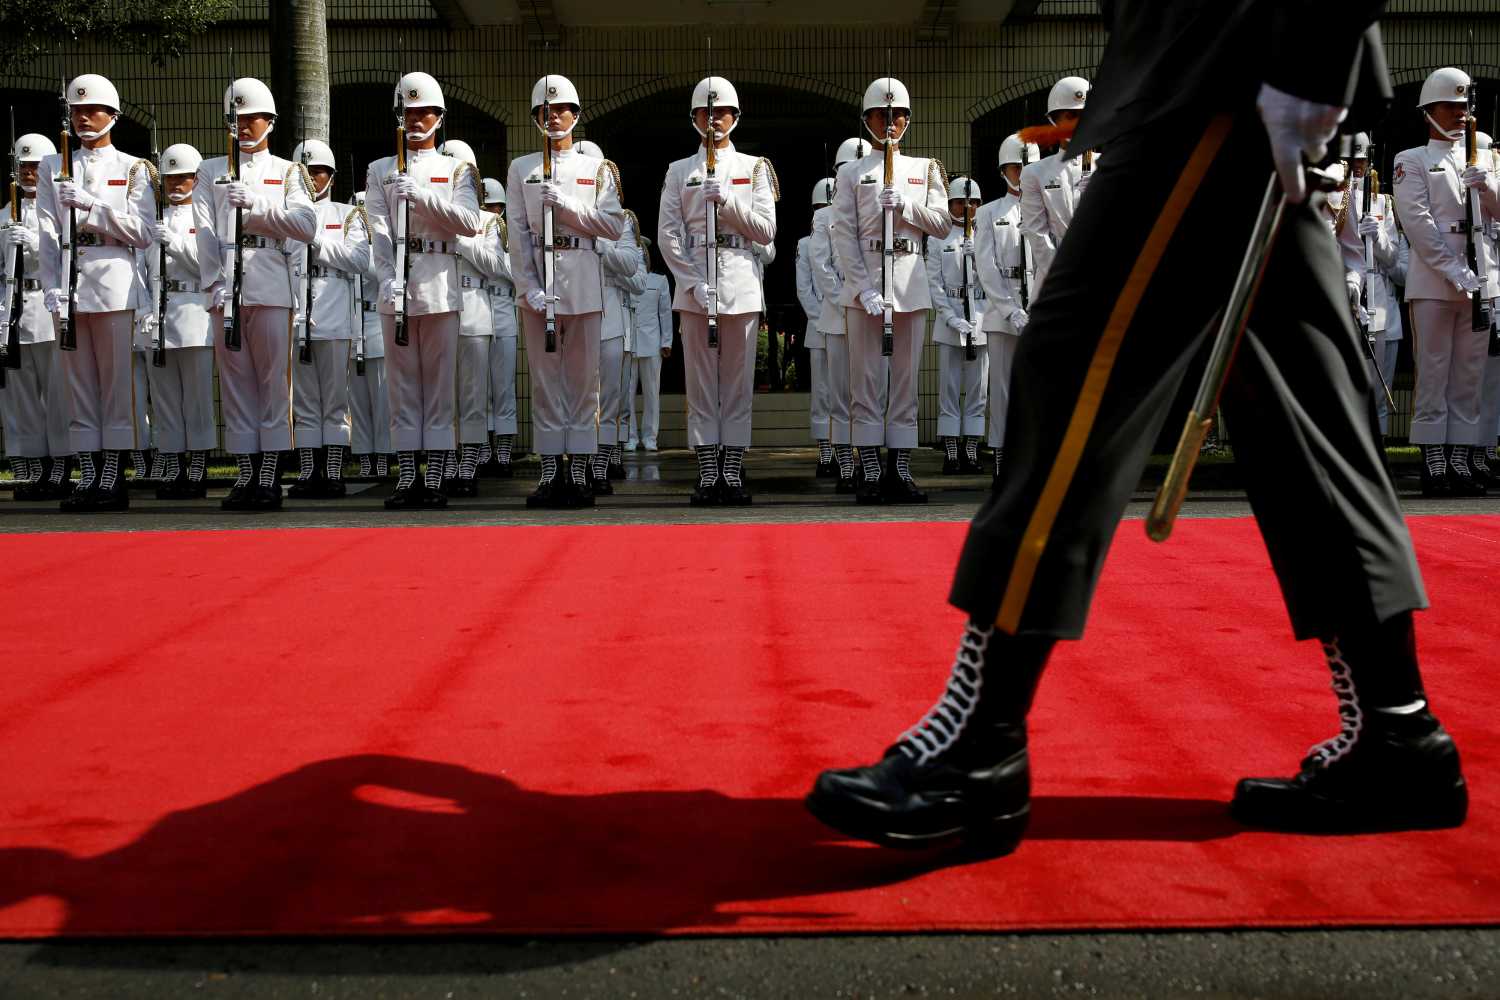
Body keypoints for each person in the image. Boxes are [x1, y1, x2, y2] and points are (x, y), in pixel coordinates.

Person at [807, 2, 1467, 855]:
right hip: (1229, 58)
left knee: (1073, 370)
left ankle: (980, 737)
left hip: (1226, 57)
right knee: (1300, 404)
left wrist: (1310, 46)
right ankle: (1396, 726)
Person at [195, 75, 318, 511]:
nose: (243, 126)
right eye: (236, 118)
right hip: (225, 288)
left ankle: (269, 474)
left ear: (270, 121)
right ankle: (246, 472)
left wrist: (260, 209)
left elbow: (306, 226)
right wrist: (214, 284)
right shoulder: (209, 171)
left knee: (272, 383)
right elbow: (204, 232)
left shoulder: (287, 171)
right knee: (235, 386)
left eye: (252, 118)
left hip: (270, 282)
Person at [659, 75, 778, 506]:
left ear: (735, 117)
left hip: (740, 280)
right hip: (696, 284)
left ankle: (732, 467)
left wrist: (727, 201)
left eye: (722, 112)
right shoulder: (678, 171)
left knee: (737, 383)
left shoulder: (755, 168)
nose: (714, 119)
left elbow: (766, 231)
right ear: (694, 117)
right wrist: (691, 282)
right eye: (706, 112)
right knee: (702, 383)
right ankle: (708, 469)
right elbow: (668, 235)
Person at [38, 74, 155, 512]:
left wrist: (91, 206)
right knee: (78, 386)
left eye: (92, 110)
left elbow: (141, 232)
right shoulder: (53, 165)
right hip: (70, 281)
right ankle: (88, 474)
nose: (83, 117)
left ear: (113, 115)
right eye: (76, 110)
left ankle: (112, 476)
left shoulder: (133, 168)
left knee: (116, 384)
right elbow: (47, 232)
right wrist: (52, 286)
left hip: (113, 279)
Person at [508, 74, 625, 509]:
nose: (553, 117)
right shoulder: (522, 168)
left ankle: (578, 470)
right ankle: (549, 470)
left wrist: (569, 206)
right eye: (544, 110)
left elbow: (612, 226)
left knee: (582, 383)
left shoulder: (597, 168)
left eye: (561, 110)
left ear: (576, 114)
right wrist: (529, 288)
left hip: (582, 279)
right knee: (544, 382)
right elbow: (518, 236)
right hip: (541, 281)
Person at [367, 72, 483, 510]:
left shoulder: (455, 168)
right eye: (409, 112)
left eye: (424, 112)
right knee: (401, 386)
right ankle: (407, 475)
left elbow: (469, 223)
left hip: (438, 283)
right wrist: (386, 277)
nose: (416, 119)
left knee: (438, 386)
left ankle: (434, 475)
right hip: (396, 285)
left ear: (439, 117)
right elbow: (377, 231)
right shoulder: (380, 169)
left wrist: (421, 197)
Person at [831, 76, 948, 504]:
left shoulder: (925, 169)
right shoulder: (851, 172)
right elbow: (842, 234)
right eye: (882, 115)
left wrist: (906, 204)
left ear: (907, 119)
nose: (890, 122)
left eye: (897, 114)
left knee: (904, 380)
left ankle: (899, 466)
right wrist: (861, 289)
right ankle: (869, 467)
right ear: (867, 120)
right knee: (864, 381)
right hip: (866, 280)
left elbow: (942, 224)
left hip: (909, 278)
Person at [1394, 67, 1498, 498]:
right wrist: (1452, 270)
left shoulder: (1485, 156)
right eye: (1450, 106)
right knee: (1434, 369)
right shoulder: (1411, 159)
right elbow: (1416, 222)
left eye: (1463, 106)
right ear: (1428, 111)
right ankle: (1434, 456)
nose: (1460, 114)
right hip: (1437, 279)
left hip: (1483, 277)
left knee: (1470, 374)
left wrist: (1489, 186)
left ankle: (1461, 455)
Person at [289, 138, 367, 499]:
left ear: (332, 177)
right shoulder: (285, 211)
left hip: (335, 314)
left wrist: (318, 244)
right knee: (303, 400)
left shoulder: (346, 214)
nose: (313, 179)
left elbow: (360, 260)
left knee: (335, 398)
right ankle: (308, 470)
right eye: (307, 172)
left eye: (320, 172)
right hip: (296, 314)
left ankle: (333, 469)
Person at [1, 132, 74, 501]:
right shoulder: (2, 216)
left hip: (47, 311)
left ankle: (61, 466)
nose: (29, 174)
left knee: (57, 396)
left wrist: (32, 244)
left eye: (35, 167)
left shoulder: (59, 213)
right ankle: (31, 469)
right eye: (23, 167)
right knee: (21, 397)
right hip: (14, 314)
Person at [145, 143, 216, 499]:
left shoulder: (203, 218)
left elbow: (208, 268)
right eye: (170, 178)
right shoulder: (153, 217)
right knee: (165, 400)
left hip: (193, 312)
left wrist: (174, 244)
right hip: (160, 315)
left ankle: (199, 467)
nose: (175, 184)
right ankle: (173, 467)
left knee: (197, 399)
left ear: (196, 179)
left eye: (183, 177)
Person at [974, 133, 1038, 492]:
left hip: (1040, 308)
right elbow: (986, 267)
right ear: (1003, 170)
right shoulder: (989, 213)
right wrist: (1011, 309)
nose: (1022, 172)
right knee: (1001, 390)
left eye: (1027, 166)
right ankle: (1001, 459)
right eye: (1016, 166)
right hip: (1003, 312)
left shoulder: (1048, 208)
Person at [435, 138, 498, 497]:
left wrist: (463, 242)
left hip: (473, 308)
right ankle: (443, 460)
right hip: (439, 303)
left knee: (473, 395)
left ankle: (469, 463)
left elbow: (499, 266)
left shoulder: (488, 222)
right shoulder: (429, 215)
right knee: (442, 394)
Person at [809, 138, 872, 492]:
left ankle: (869, 461)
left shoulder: (879, 209)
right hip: (839, 314)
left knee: (870, 392)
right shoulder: (825, 216)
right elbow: (821, 266)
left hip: (873, 312)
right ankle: (847, 464)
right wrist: (848, 298)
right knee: (839, 393)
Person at [926, 175, 988, 475]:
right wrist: (949, 317)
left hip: (981, 315)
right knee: (948, 389)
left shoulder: (985, 234)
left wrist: (977, 258)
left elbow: (995, 277)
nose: (967, 207)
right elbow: (934, 282)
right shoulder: (938, 237)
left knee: (978, 390)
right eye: (961, 202)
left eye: (973, 202)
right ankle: (951, 451)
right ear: (949, 203)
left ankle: (972, 449)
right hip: (950, 318)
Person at [1020, 76, 1093, 299]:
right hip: (1054, 279)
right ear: (1053, 120)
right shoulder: (1035, 173)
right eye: (1070, 116)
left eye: (1085, 116)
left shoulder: (1110, 164)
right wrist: (1063, 276)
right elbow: (1036, 232)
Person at [348, 190, 391, 481]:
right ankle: (365, 457)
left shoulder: (380, 249)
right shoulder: (349, 246)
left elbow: (375, 271)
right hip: (352, 323)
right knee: (358, 401)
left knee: (382, 398)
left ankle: (385, 457)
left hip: (375, 323)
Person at [797, 178, 833, 475]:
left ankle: (848, 451)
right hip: (820, 327)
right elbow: (803, 289)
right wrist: (822, 320)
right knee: (822, 391)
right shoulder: (805, 245)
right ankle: (825, 450)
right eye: (821, 206)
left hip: (848, 324)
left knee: (848, 392)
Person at [626, 240, 672, 452]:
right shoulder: (624, 279)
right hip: (628, 342)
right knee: (627, 393)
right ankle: (630, 437)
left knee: (652, 392)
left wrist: (666, 341)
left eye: (643, 254)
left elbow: (665, 313)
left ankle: (650, 437)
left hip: (652, 342)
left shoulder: (660, 280)